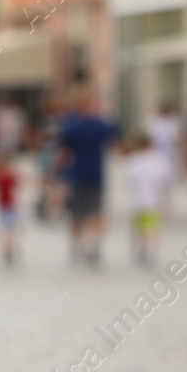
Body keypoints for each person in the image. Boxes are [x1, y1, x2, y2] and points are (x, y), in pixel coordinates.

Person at [55, 92, 118, 267]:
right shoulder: (99, 124)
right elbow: (115, 140)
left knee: (78, 214)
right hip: (93, 174)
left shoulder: (71, 125)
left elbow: (63, 152)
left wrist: (57, 174)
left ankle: (79, 245)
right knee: (94, 211)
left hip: (77, 175)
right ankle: (92, 244)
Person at [122, 131, 174, 268]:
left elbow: (129, 180)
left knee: (143, 226)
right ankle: (148, 249)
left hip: (142, 198)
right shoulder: (158, 160)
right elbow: (165, 180)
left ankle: (144, 249)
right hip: (152, 198)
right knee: (150, 226)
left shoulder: (135, 160)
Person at [0, 153, 21, 266]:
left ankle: (2, 252)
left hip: (2, 207)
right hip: (10, 206)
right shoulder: (10, 176)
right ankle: (8, 250)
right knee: (10, 230)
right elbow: (17, 188)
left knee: (0, 231)